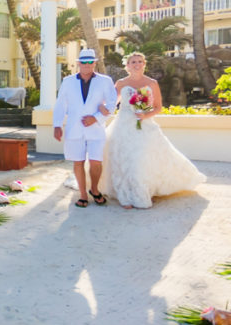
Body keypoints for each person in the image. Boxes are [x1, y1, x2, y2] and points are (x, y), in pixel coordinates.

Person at [98, 52, 205, 208]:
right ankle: (125, 195)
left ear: (144, 64)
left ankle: (143, 192)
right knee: (123, 159)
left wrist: (144, 115)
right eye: (133, 61)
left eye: (140, 61)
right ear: (127, 65)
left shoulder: (152, 83)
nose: (137, 64)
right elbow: (112, 103)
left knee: (141, 159)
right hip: (123, 126)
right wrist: (102, 106)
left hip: (144, 126)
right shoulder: (121, 83)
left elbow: (158, 107)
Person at [52, 48, 118, 208]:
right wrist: (57, 125)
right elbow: (61, 104)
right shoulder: (68, 81)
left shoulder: (105, 81)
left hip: (96, 129)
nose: (87, 64)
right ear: (78, 64)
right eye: (84, 62)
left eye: (90, 62)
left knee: (96, 162)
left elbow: (112, 104)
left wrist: (96, 118)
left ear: (94, 63)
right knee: (78, 162)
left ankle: (94, 189)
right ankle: (82, 194)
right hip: (74, 128)